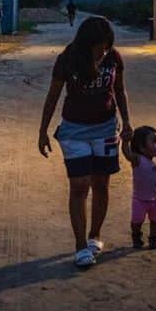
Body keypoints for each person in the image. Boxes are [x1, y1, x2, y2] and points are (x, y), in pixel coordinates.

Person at [39, 16, 132, 267]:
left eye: (107, 44)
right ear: (87, 42)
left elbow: (120, 91)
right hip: (74, 130)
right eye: (101, 44)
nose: (104, 49)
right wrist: (43, 130)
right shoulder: (68, 59)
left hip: (105, 128)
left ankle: (95, 235)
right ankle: (80, 246)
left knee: (101, 183)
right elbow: (53, 95)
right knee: (80, 186)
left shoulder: (113, 58)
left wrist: (127, 122)